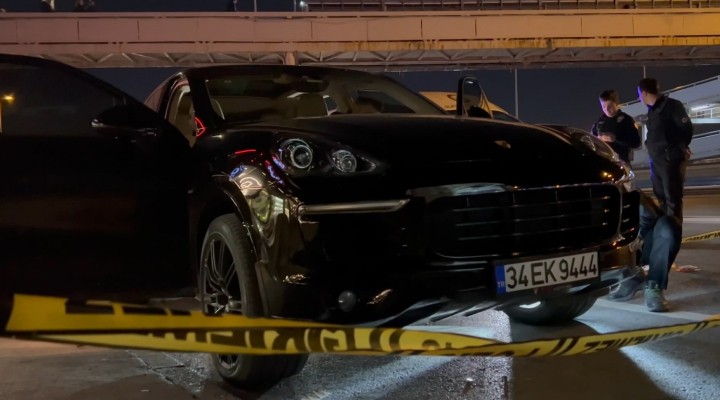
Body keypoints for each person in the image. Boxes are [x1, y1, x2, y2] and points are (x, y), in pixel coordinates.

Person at [607, 192, 681, 312]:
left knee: (668, 226)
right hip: (627, 245)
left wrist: (636, 238)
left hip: (648, 238)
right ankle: (631, 278)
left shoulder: (624, 190)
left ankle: (654, 284)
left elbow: (648, 216)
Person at [637, 77, 693, 221]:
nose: (639, 98)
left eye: (639, 95)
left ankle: (674, 231)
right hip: (656, 160)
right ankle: (666, 231)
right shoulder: (652, 110)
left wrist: (681, 147)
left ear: (644, 93)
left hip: (670, 159)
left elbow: (686, 128)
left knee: (672, 199)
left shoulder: (672, 106)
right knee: (661, 199)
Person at [590, 89, 641, 165]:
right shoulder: (600, 122)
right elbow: (590, 140)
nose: (606, 109)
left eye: (609, 106)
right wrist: (597, 139)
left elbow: (636, 143)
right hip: (603, 162)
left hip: (621, 164)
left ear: (616, 103)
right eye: (603, 106)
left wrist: (616, 139)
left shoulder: (626, 120)